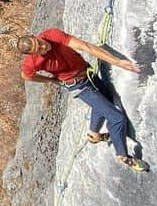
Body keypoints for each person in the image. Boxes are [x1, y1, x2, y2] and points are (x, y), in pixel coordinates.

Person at [17, 28, 147, 172]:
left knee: (105, 101)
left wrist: (117, 62)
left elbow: (86, 47)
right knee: (117, 118)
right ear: (33, 55)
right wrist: (51, 80)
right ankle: (124, 156)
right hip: (78, 86)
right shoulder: (32, 63)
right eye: (38, 49)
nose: (43, 46)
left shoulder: (52, 35)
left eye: (39, 42)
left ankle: (94, 135)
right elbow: (27, 76)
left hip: (87, 72)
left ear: (36, 36)